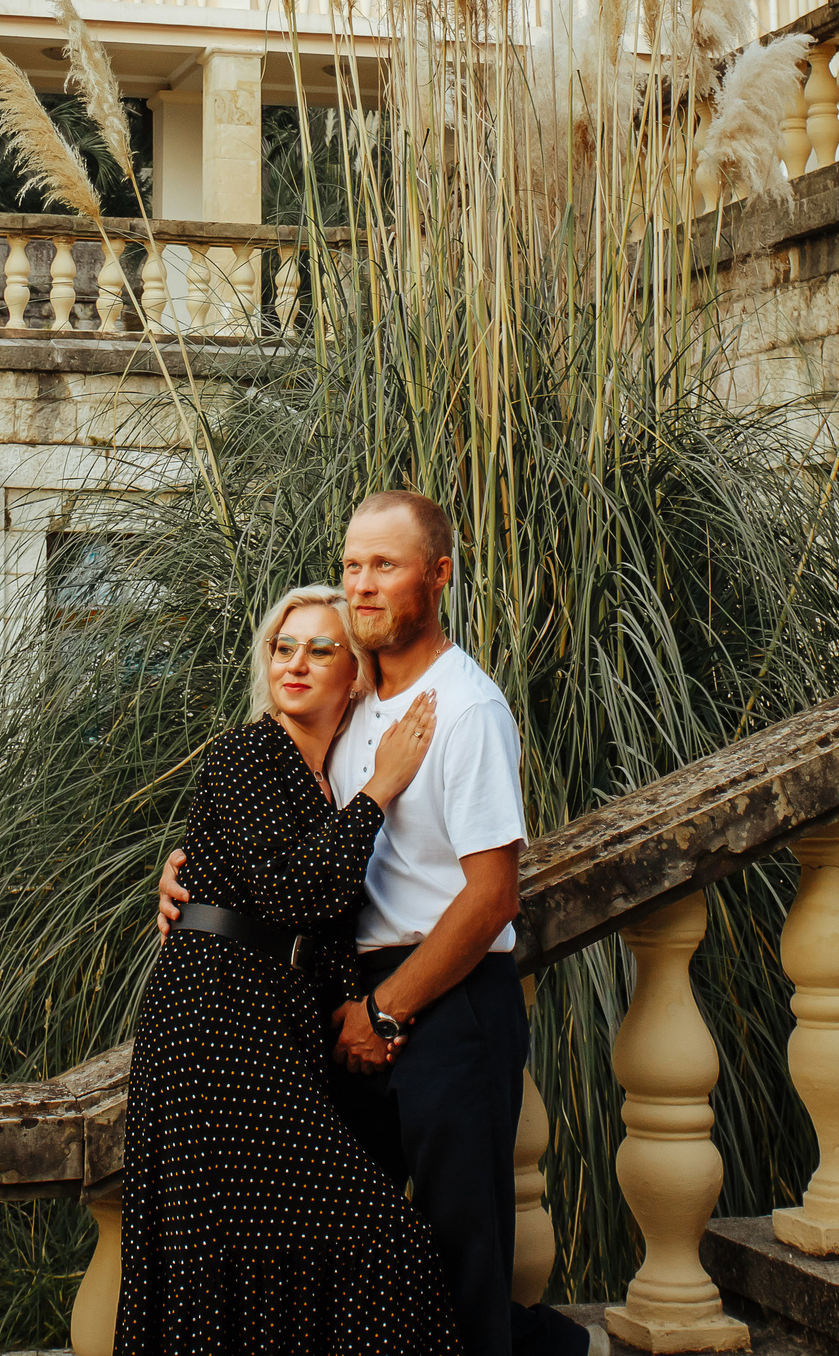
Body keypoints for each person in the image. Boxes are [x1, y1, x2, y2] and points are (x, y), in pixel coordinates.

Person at [159, 494, 588, 1356]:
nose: (360, 584)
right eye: (352, 564)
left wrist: (385, 1009)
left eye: (384, 566)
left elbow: (491, 898)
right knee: (336, 1255)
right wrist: (182, 879)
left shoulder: (462, 710)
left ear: (439, 574)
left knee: (461, 1252)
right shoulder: (353, 703)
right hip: (340, 1012)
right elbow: (274, 830)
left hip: (445, 1002)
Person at [118, 582, 462, 1356]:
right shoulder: (250, 750)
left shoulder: (324, 783)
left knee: (266, 1255)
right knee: (382, 1239)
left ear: (356, 675)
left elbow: (329, 925)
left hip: (268, 1027)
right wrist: (382, 789)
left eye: (320, 649)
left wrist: (360, 1014)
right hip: (215, 1025)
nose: (295, 664)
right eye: (283, 647)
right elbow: (290, 890)